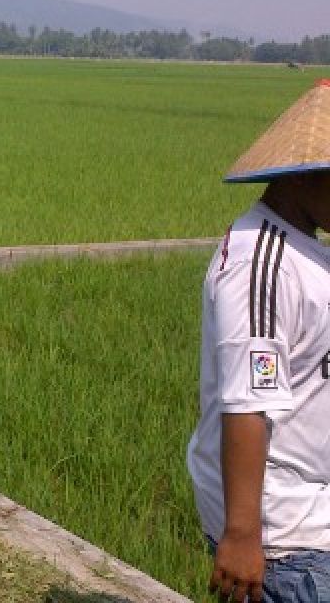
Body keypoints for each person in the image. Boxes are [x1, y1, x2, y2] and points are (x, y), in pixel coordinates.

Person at [188, 78, 330, 603]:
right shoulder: (261, 265)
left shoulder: (302, 250)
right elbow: (248, 402)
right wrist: (244, 536)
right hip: (286, 539)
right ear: (303, 176)